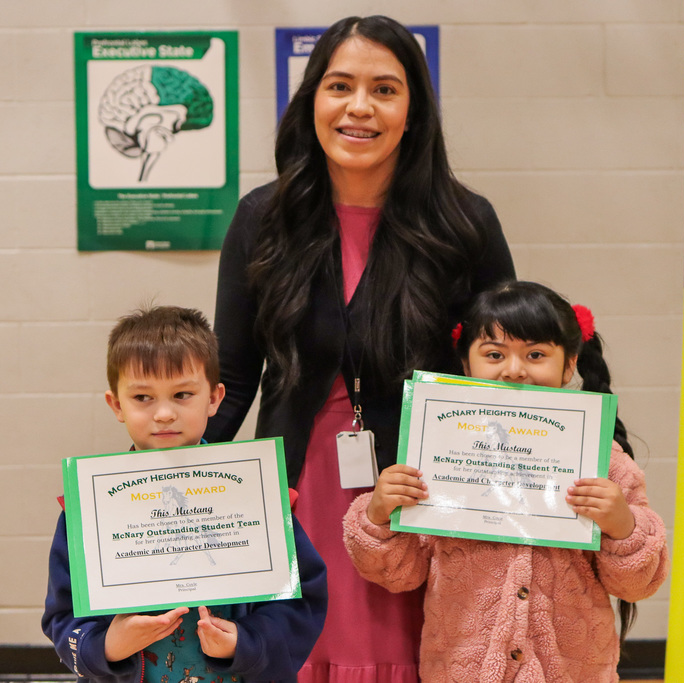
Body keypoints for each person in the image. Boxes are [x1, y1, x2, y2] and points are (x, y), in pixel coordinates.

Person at [203, 15, 516, 681]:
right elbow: (230, 374)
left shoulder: (465, 223)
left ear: (413, 112)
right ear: (312, 100)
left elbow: (506, 369)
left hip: (419, 497)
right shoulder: (263, 218)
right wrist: (156, 479)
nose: (359, 107)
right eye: (339, 85)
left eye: (384, 89)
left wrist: (593, 451)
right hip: (296, 490)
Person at [343, 281, 669, 682]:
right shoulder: (433, 452)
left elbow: (638, 584)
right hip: (463, 671)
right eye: (494, 354)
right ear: (466, 364)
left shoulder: (604, 462)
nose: (514, 370)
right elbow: (399, 573)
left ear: (569, 365)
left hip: (571, 672)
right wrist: (378, 515)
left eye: (535, 355)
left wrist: (624, 526)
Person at [42, 306, 328, 683]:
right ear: (116, 405)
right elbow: (62, 617)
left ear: (213, 398)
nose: (163, 413)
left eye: (182, 394)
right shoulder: (88, 511)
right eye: (142, 397)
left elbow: (304, 599)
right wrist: (108, 646)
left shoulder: (256, 496)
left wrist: (246, 642)